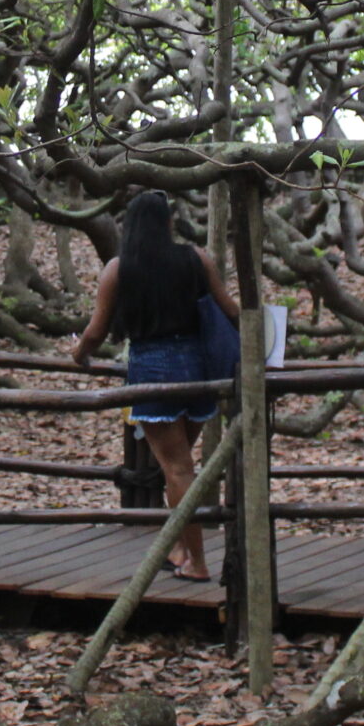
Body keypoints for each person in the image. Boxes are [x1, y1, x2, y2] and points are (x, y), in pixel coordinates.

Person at [71, 190, 238, 581]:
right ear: (167, 222)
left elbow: (97, 331)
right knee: (177, 467)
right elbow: (230, 309)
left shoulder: (119, 268)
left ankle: (196, 562)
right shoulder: (195, 258)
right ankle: (180, 548)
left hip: (153, 369)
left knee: (178, 468)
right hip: (199, 367)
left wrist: (79, 355)